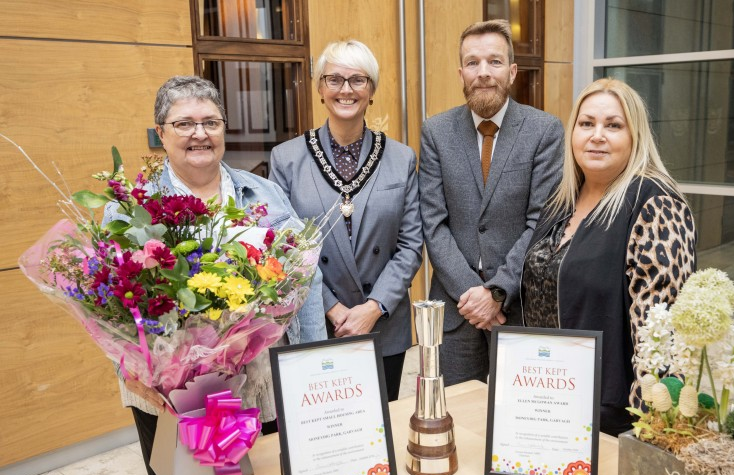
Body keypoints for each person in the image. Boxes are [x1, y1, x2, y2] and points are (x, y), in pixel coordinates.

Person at [103, 75, 327, 475]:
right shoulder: (132, 208)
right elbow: (109, 304)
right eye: (183, 123)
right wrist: (131, 370)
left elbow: (305, 278)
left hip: (256, 381)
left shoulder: (262, 193)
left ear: (225, 128)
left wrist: (310, 360)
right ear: (161, 133)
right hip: (167, 390)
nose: (199, 134)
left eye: (210, 122)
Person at [521, 78, 697, 436]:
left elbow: (660, 336)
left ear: (635, 137)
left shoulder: (655, 204)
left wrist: (649, 425)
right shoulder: (563, 198)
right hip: (546, 400)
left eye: (613, 125)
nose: (597, 135)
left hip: (610, 417)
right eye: (586, 124)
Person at [269, 40, 423, 401]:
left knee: (379, 432)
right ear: (320, 89)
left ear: (372, 90)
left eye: (358, 80)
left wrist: (373, 308)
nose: (346, 90)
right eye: (334, 79)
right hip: (316, 322)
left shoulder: (401, 158)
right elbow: (282, 250)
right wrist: (333, 310)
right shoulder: (286, 159)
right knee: (324, 429)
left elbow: (411, 245)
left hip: (383, 323)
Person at [418, 19, 564, 386]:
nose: (483, 73)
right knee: (453, 417)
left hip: (516, 306)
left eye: (494, 62)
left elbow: (540, 223)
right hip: (456, 306)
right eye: (473, 63)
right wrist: (473, 295)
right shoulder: (436, 131)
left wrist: (497, 292)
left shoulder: (544, 131)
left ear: (512, 71)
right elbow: (433, 223)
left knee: (515, 417)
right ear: (461, 72)